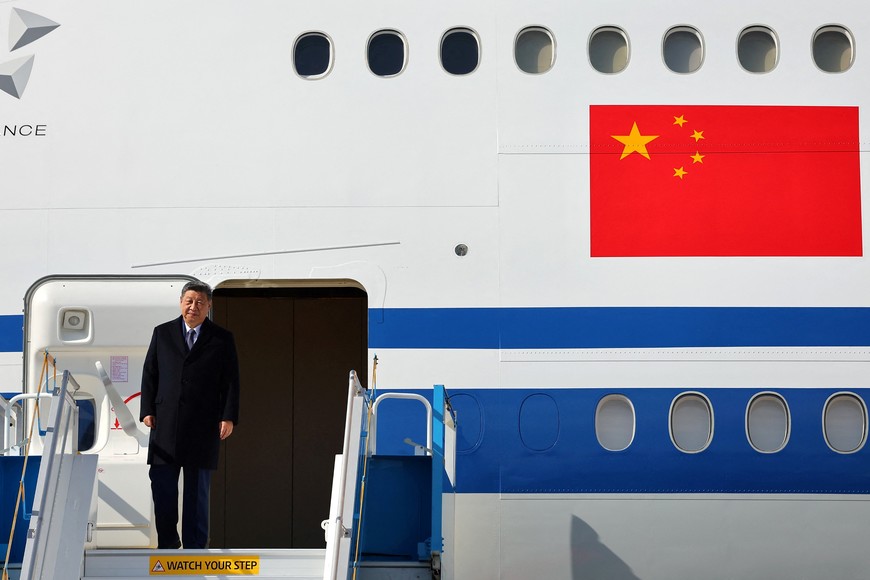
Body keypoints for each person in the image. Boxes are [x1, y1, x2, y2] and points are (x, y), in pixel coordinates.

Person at [140, 281, 240, 549]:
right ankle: (168, 543)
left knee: (197, 493)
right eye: (189, 300)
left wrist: (228, 416)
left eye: (199, 302)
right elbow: (150, 373)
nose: (193, 307)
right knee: (163, 490)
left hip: (203, 425)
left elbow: (230, 381)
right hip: (165, 424)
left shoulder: (222, 338)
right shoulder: (162, 333)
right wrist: (147, 410)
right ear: (181, 302)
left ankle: (196, 547)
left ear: (208, 306)